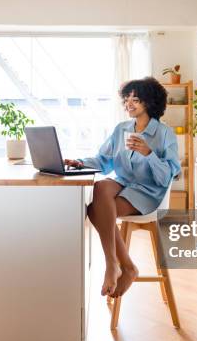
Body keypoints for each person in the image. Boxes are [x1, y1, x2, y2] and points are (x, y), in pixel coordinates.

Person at [64, 77, 181, 298]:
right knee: (101, 188)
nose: (129, 103)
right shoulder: (121, 129)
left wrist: (149, 153)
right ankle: (117, 265)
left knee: (95, 210)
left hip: (148, 190)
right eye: (126, 99)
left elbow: (168, 175)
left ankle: (121, 267)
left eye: (135, 99)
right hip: (123, 182)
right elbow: (104, 160)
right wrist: (80, 162)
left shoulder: (165, 134)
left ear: (150, 102)